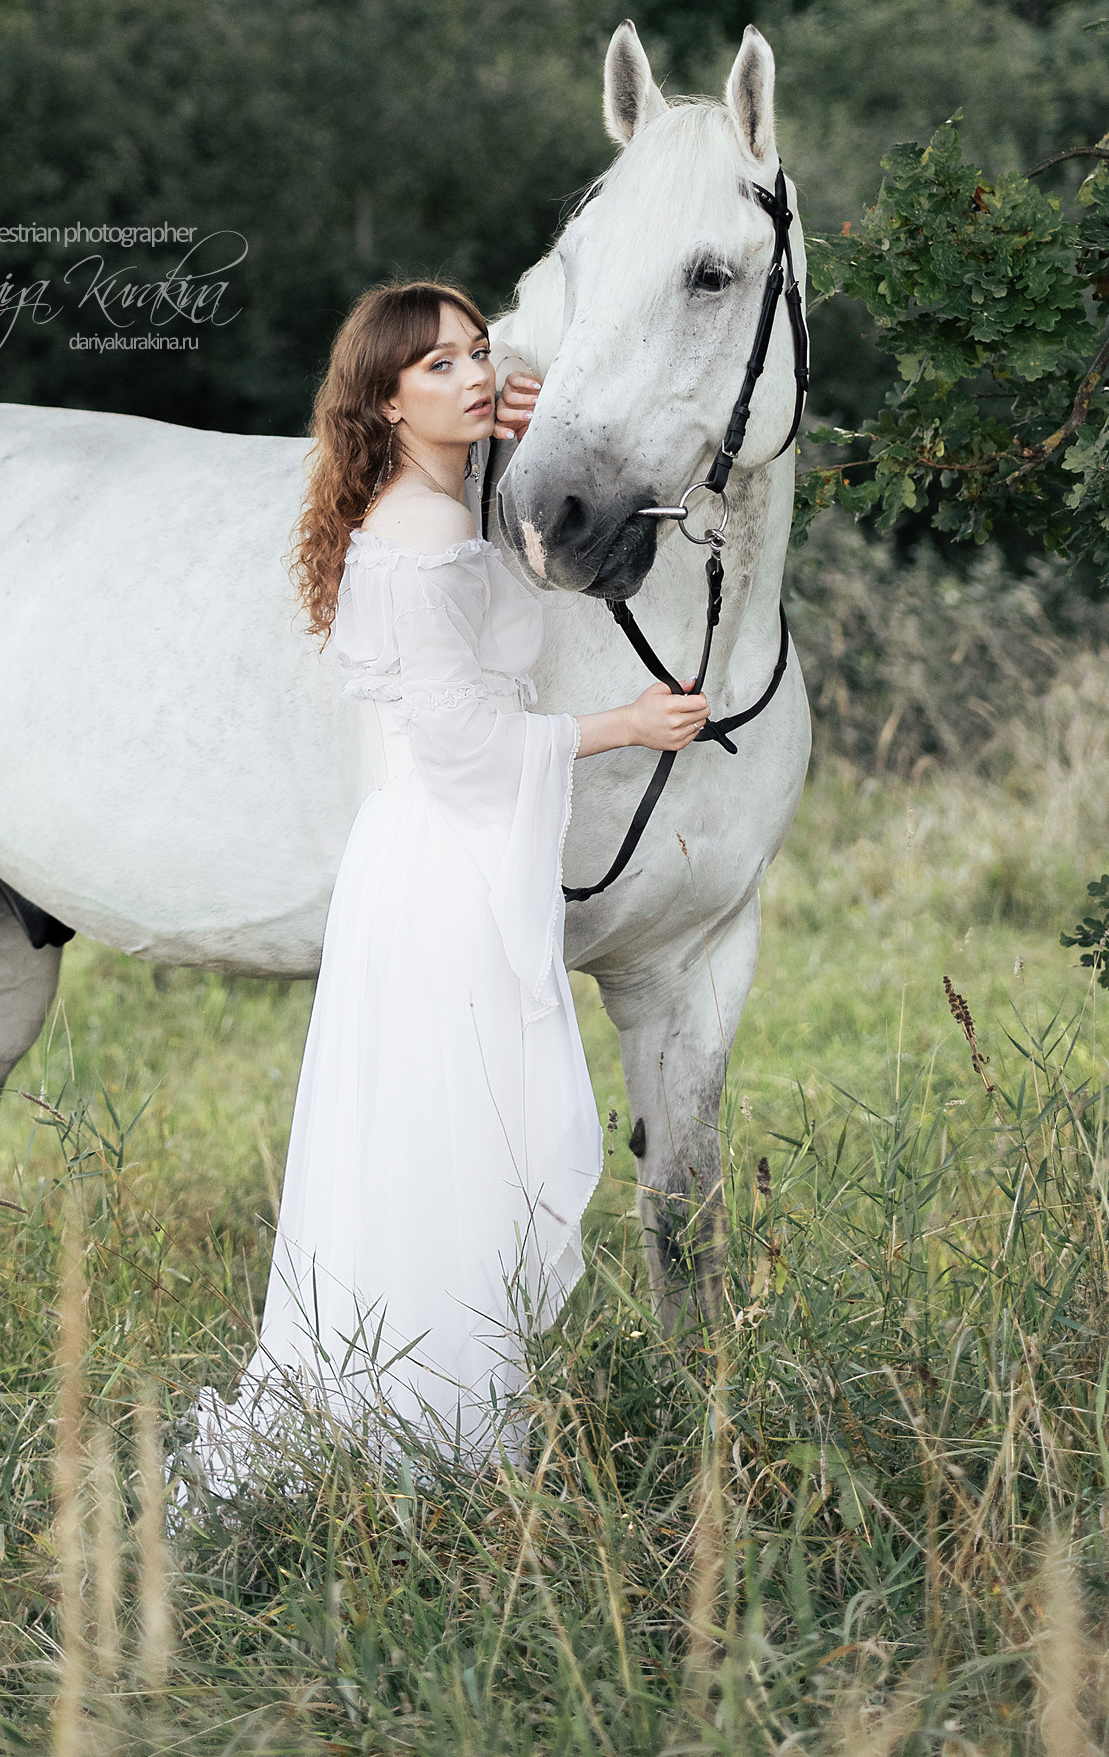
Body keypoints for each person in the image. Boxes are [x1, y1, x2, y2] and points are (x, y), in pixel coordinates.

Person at [174, 280, 709, 1510]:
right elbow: (465, 743)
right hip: (440, 858)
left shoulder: (427, 503)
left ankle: (437, 1415)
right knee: (449, 1132)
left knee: (442, 1136)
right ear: (382, 399)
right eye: (437, 367)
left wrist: (518, 434)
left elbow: (505, 610)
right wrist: (624, 723)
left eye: (478, 351)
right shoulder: (413, 534)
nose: (471, 374)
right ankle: (416, 1430)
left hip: (438, 855)